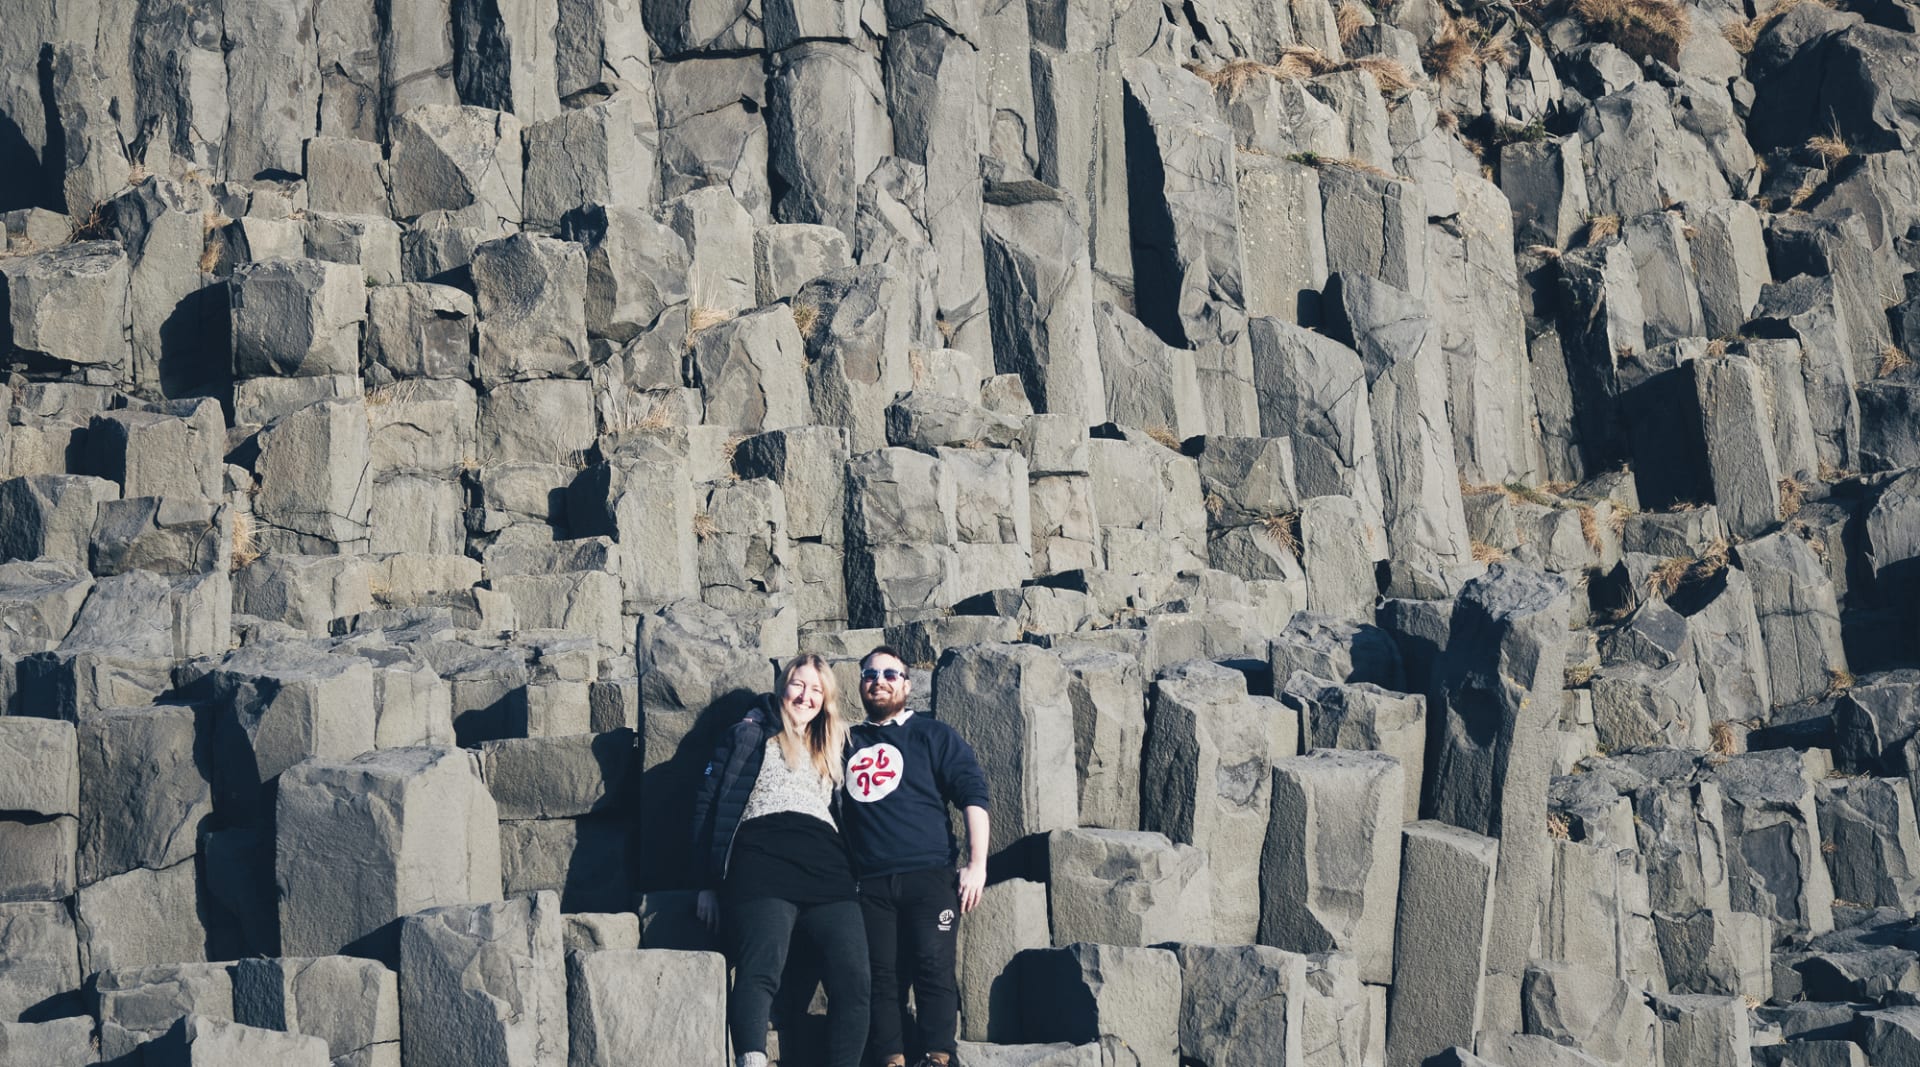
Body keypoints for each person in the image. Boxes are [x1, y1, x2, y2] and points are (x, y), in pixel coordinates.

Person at [692, 654, 871, 1067]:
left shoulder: (834, 744)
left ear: (825, 699)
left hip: (828, 866)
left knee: (855, 979)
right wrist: (705, 882)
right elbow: (707, 805)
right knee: (760, 968)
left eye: (815, 689)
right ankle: (751, 1062)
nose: (805, 696)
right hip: (761, 858)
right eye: (798, 685)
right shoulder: (748, 734)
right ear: (782, 687)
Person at [842, 646, 991, 1067]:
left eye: (891, 674)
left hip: (930, 875)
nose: (880, 681)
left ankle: (938, 1056)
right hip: (868, 881)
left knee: (932, 967)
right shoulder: (846, 741)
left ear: (907, 685)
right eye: (870, 674)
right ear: (861, 685)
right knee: (880, 977)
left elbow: (972, 794)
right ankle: (891, 1058)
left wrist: (977, 865)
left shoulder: (932, 734)